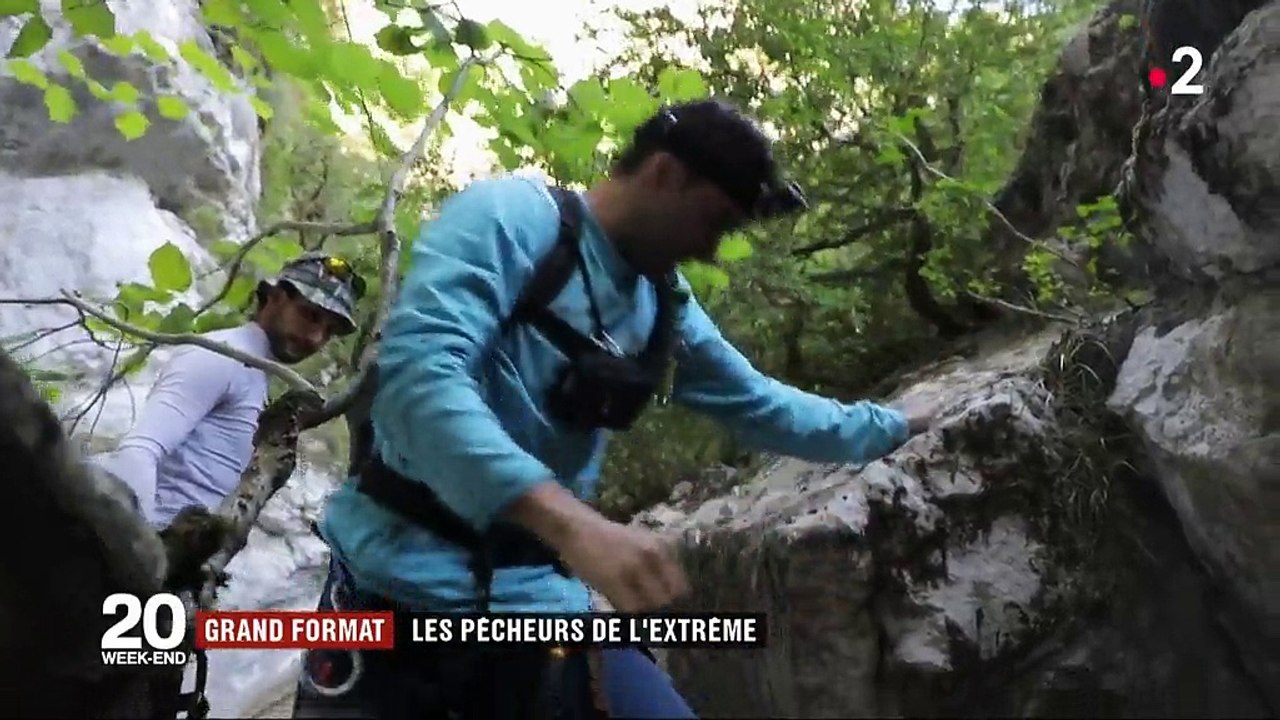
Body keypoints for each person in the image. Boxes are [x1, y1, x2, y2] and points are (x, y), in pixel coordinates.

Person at [294, 99, 937, 719]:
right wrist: (576, 527)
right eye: (713, 221)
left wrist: (893, 426)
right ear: (664, 173)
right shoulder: (508, 218)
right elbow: (419, 379)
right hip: (386, 598)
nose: (711, 249)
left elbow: (759, 403)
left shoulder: (663, 306)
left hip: (535, 605)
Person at [90, 253, 366, 528]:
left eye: (329, 330)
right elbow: (138, 451)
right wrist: (142, 555)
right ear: (275, 297)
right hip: (149, 543)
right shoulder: (221, 355)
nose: (315, 337)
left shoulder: (253, 373)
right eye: (310, 315)